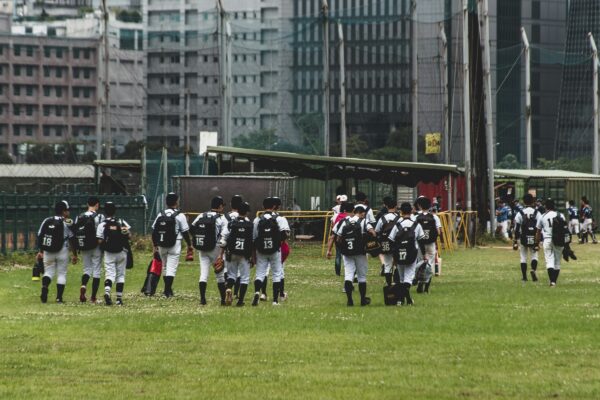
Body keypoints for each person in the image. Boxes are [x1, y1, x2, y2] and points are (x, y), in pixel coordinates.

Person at [329, 204, 376, 306]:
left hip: (347, 253)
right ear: (356, 211)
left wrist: (341, 248)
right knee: (362, 277)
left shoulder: (343, 222)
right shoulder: (363, 221)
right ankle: (363, 300)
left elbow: (337, 237)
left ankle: (349, 300)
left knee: (348, 275)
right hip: (360, 252)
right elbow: (373, 232)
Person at [151, 192, 192, 297]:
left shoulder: (161, 214)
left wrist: (155, 245)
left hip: (161, 244)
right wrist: (189, 245)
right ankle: (167, 291)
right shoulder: (180, 215)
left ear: (166, 202)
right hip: (175, 243)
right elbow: (185, 232)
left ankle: (168, 291)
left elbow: (154, 231)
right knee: (171, 269)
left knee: (165, 267)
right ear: (176, 202)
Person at [191, 196, 230, 305]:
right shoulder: (222, 218)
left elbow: (192, 228)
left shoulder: (201, 215)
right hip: (216, 248)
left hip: (202, 248)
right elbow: (225, 235)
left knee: (203, 274)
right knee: (220, 274)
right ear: (220, 206)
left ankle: (202, 299)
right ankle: (223, 300)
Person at [252, 197, 290, 306]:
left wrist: (254, 253)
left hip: (261, 250)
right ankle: (275, 300)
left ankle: (257, 293)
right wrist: (278, 241)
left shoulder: (257, 219)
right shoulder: (280, 218)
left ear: (263, 207)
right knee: (277, 274)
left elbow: (254, 238)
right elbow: (285, 234)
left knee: (260, 273)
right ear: (274, 206)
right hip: (275, 250)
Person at [36, 201, 77, 304]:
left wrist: (40, 251)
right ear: (64, 212)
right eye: (67, 210)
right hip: (62, 250)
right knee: (62, 273)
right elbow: (72, 239)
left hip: (48, 251)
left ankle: (45, 287)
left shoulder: (47, 220)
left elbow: (40, 235)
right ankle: (59, 298)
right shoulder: (67, 223)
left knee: (48, 272)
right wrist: (75, 254)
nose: (68, 212)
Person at [388, 202, 425, 306]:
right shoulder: (416, 225)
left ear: (401, 212)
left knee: (401, 278)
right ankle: (404, 299)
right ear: (412, 210)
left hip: (399, 254)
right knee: (408, 278)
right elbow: (421, 241)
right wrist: (424, 254)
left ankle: (402, 300)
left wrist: (393, 256)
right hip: (412, 254)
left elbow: (391, 241)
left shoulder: (397, 225)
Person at [96, 202, 131, 306]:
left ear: (105, 212)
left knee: (110, 274)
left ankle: (107, 292)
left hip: (109, 253)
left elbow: (99, 240)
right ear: (115, 210)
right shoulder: (121, 222)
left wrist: (106, 244)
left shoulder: (102, 224)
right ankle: (119, 299)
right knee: (120, 275)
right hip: (121, 252)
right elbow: (129, 235)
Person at [219, 201, 252, 306]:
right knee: (244, 277)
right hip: (244, 254)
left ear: (237, 211)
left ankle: (228, 288)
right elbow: (253, 241)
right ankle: (240, 301)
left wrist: (221, 254)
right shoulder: (250, 224)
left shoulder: (231, 223)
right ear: (246, 212)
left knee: (231, 275)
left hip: (231, 252)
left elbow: (223, 240)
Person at [73, 196, 104, 304]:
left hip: (84, 245)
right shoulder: (100, 217)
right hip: (96, 246)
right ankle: (93, 298)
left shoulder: (79, 216)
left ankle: (83, 285)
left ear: (87, 204)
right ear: (97, 205)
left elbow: (75, 231)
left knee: (87, 269)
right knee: (96, 271)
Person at [513, 194, 542, 282]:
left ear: (524, 202)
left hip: (523, 237)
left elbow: (517, 229)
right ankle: (533, 270)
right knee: (534, 256)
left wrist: (515, 241)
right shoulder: (537, 213)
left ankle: (524, 277)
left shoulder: (520, 213)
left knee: (523, 257)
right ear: (533, 201)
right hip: (533, 237)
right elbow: (539, 227)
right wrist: (538, 242)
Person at [415, 197, 441, 293]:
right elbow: (439, 231)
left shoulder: (415, 217)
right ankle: (426, 288)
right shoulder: (434, 217)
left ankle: (419, 283)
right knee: (430, 264)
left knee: (421, 262)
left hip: (419, 244)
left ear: (419, 206)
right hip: (431, 244)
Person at [536, 199, 565, 286]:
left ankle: (552, 282)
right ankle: (554, 281)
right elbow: (565, 230)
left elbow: (538, 231)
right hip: (559, 240)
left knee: (549, 260)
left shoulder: (542, 216)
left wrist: (537, 243)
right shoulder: (561, 215)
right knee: (557, 261)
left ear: (545, 206)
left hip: (547, 239)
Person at [374, 197, 399, 286]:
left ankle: (388, 284)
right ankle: (396, 282)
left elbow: (376, 231)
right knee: (397, 263)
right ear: (396, 206)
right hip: (397, 243)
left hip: (385, 242)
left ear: (387, 206)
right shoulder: (398, 218)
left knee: (387, 264)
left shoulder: (382, 218)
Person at [331, 194, 348, 277]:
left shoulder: (336, 214)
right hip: (347, 237)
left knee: (338, 255)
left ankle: (338, 273)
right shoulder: (349, 216)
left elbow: (332, 226)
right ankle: (348, 271)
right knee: (346, 255)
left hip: (337, 235)